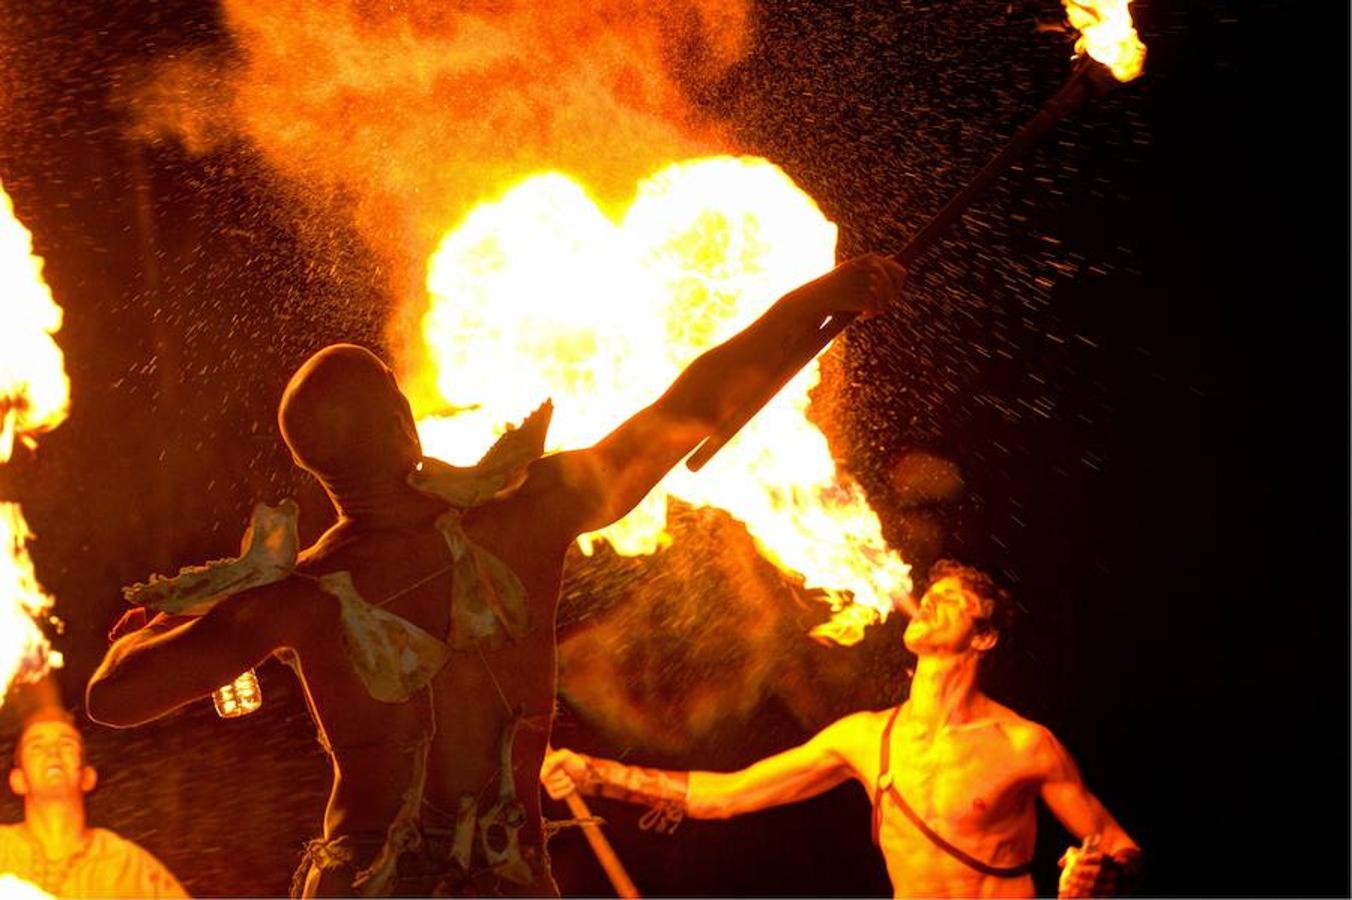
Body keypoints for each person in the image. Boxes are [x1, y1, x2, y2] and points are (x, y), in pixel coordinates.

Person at [84, 254, 907, 897]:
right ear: (406, 425)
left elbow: (113, 699)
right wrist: (815, 299)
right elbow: (683, 406)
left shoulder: (293, 599)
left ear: (313, 470)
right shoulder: (527, 512)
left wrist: (165, 622)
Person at [542, 560, 1142, 898]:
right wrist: (598, 774)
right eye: (928, 593)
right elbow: (724, 796)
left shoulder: (1023, 745)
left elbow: (1120, 847)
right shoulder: (862, 737)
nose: (929, 602)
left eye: (952, 600)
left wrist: (1096, 877)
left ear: (983, 637)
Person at [0, 708, 187, 898]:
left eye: (66, 744)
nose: (53, 753)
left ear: (87, 777)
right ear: (18, 780)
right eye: (36, 746)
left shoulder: (126, 866)